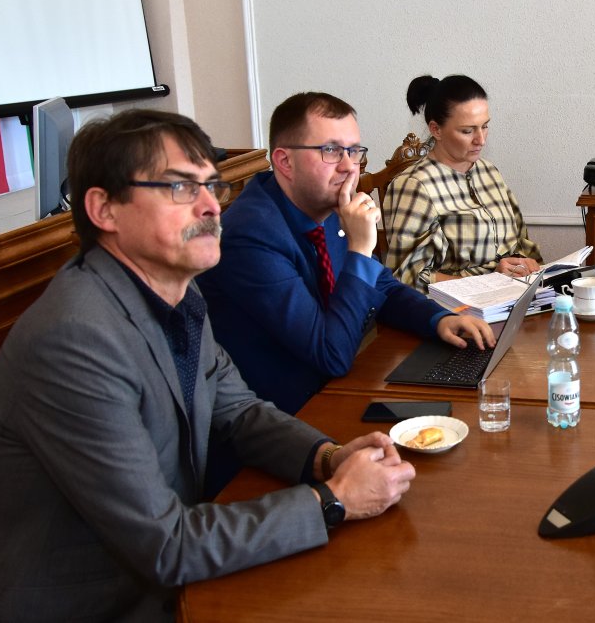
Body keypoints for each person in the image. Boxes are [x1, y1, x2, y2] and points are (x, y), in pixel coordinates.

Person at [0, 109, 416, 621]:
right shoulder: (73, 339)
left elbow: (240, 412)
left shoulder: (178, 297)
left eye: (212, 186)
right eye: (182, 188)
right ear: (104, 208)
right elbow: (165, 545)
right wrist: (334, 500)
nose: (213, 206)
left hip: (157, 578)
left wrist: (329, 457)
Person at [196, 92, 494, 416]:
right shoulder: (250, 236)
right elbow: (331, 355)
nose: (349, 166)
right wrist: (361, 249)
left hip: (336, 389)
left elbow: (382, 286)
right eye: (330, 151)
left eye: (353, 151)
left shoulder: (324, 206)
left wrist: (439, 319)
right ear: (284, 161)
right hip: (283, 417)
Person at [385, 74, 543, 292]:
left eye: (485, 126)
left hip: (511, 295)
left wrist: (526, 263)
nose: (481, 139)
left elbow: (521, 243)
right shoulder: (415, 186)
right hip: (455, 312)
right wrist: (490, 279)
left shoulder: (489, 172)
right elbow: (406, 278)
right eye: (467, 131)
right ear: (436, 129)